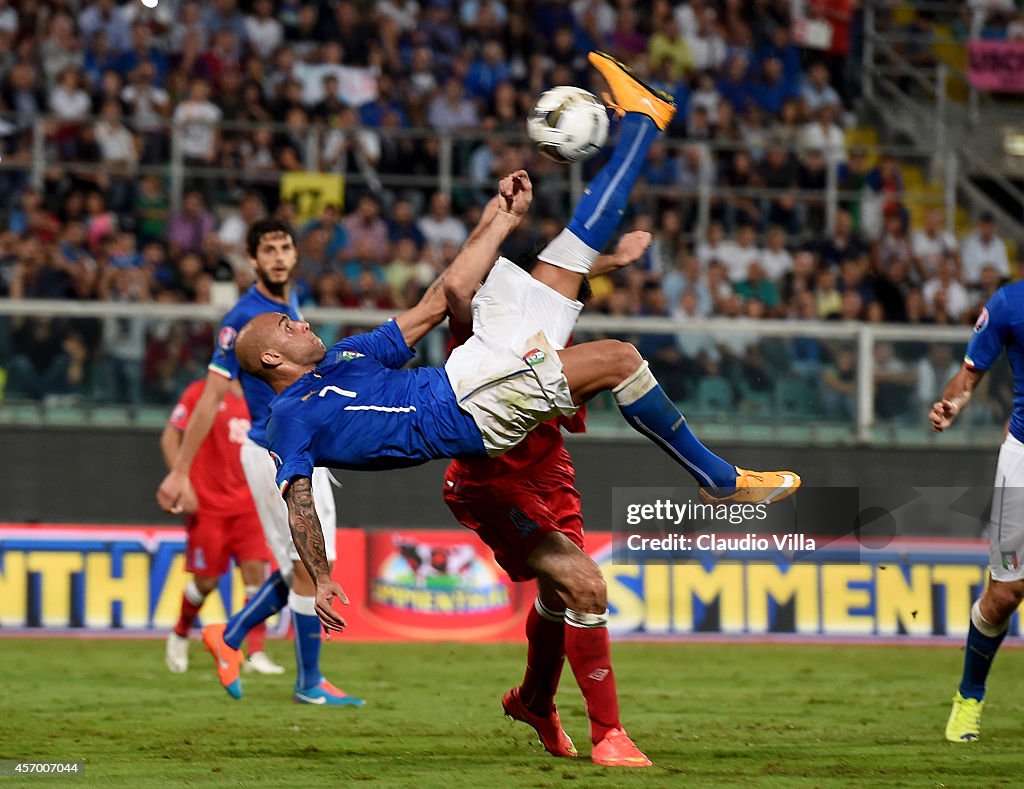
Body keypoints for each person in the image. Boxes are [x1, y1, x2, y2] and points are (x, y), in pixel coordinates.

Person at [234, 54, 800, 641]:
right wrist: (320, 575)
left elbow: (437, 299)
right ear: (271, 359)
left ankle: (643, 119)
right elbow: (298, 496)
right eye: (284, 326)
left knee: (572, 252)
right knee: (622, 360)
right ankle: (717, 477)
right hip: (470, 406)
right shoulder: (289, 418)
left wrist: (500, 220)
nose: (297, 323)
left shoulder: (348, 354)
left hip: (474, 362)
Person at [443, 212, 655, 767]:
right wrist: (498, 216)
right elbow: (457, 289)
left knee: (562, 594)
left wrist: (610, 263)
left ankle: (536, 700)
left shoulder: (539, 311)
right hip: (493, 481)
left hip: (550, 466)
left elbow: (566, 276)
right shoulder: (479, 324)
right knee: (585, 586)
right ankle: (608, 735)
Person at [156, 218, 363, 707]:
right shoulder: (245, 320)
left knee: (303, 563)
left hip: (294, 445)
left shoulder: (288, 304)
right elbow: (210, 398)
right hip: (274, 449)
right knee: (311, 563)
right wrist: (181, 470)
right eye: (267, 249)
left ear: (294, 255)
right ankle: (304, 680)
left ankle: (230, 638)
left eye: (284, 247)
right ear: (252, 260)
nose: (277, 256)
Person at [932, 280, 1024, 742]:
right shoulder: (1009, 304)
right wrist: (952, 404)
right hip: (1023, 458)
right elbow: (968, 377)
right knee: (1005, 596)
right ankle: (969, 696)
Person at [161, 378, 284, 677]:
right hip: (208, 506)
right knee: (206, 583)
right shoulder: (201, 391)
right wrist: (182, 480)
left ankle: (255, 652)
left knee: (256, 577)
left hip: (251, 504)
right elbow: (170, 437)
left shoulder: (264, 395)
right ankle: (179, 634)